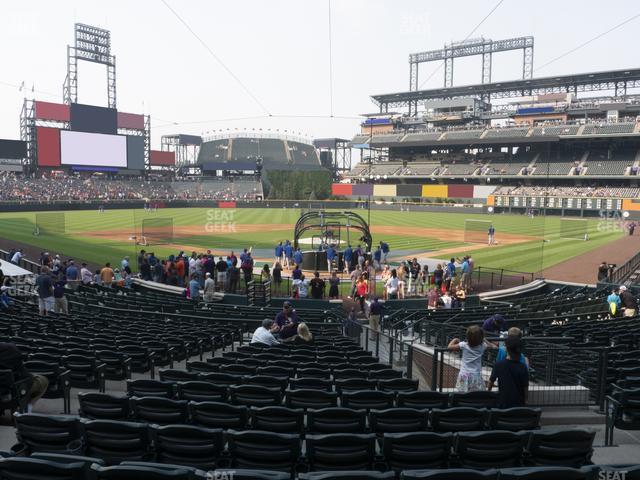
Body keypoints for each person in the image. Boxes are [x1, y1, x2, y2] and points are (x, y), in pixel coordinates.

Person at [0, 342, 49, 412]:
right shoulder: (10, 348)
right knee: (43, 380)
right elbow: (23, 373)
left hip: (6, 390)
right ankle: (28, 406)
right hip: (13, 393)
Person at [448, 325, 493, 392]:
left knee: (462, 393)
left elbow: (449, 347)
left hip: (464, 374)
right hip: (476, 375)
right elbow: (491, 346)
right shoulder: (482, 346)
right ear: (481, 337)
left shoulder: (463, 345)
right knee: (475, 395)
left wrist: (455, 340)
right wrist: (484, 339)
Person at [488, 336, 529, 408]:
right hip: (518, 404)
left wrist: (488, 393)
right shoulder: (523, 367)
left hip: (502, 404)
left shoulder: (498, 365)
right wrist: (526, 399)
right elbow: (525, 386)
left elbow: (491, 381)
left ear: (506, 349)